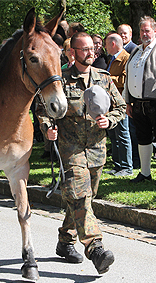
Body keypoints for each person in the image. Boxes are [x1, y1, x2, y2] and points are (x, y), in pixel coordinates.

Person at [36, 32, 124, 274]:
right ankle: (95, 248)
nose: (90, 52)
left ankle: (65, 241)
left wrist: (111, 120)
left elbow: (122, 107)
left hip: (96, 150)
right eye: (84, 49)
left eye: (92, 49)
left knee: (83, 197)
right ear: (72, 52)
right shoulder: (60, 80)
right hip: (70, 149)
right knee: (79, 194)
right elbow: (42, 109)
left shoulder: (103, 78)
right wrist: (47, 128)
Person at [124, 16, 156, 184]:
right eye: (142, 31)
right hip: (138, 103)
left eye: (148, 30)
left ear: (155, 31)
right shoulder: (135, 51)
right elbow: (128, 78)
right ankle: (145, 173)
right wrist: (128, 102)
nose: (144, 34)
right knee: (142, 137)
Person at [104, 33, 133, 177]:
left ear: (113, 44)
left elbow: (125, 79)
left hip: (120, 102)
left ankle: (127, 167)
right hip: (111, 102)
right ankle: (117, 165)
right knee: (114, 135)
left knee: (122, 134)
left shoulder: (126, 58)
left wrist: (107, 79)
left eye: (106, 44)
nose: (105, 47)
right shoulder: (113, 59)